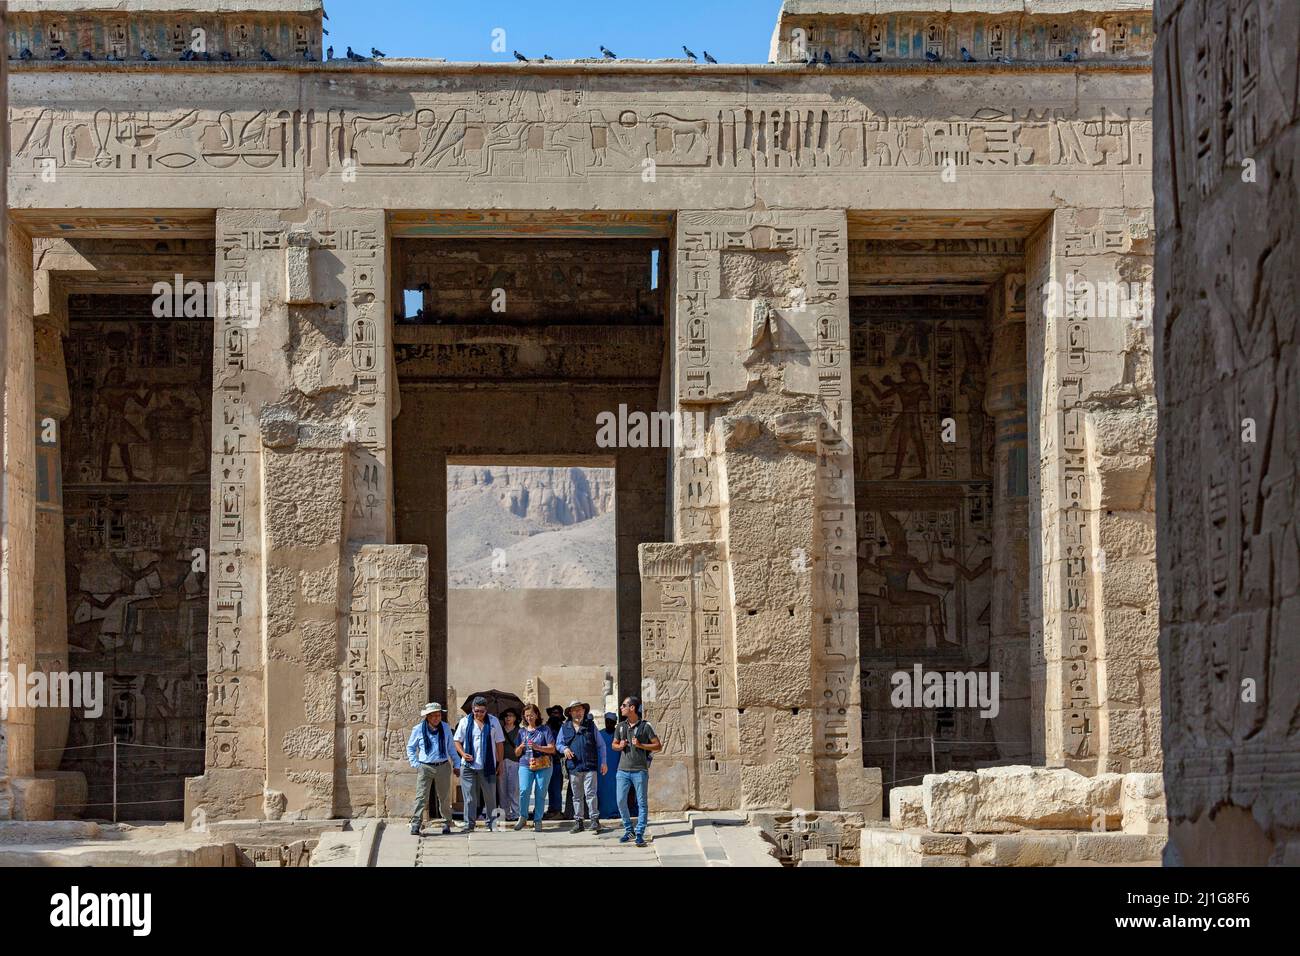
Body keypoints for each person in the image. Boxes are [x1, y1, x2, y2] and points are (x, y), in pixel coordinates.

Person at [611, 695, 660, 847]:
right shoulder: (620, 726)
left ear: (632, 708)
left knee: (642, 802)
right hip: (622, 770)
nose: (621, 708)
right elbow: (614, 745)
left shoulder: (646, 726)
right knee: (620, 800)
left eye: (623, 705)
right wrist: (620, 746)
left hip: (639, 770)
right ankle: (628, 829)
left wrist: (641, 745)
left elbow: (658, 746)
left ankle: (639, 832)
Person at [405, 702, 460, 836]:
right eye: (433, 716)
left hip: (442, 766)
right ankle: (416, 823)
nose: (436, 718)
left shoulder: (446, 728)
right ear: (428, 717)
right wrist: (415, 763)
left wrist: (457, 764)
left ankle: (447, 822)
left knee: (444, 797)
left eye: (438, 715)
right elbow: (411, 747)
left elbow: (451, 748)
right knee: (421, 796)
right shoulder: (418, 729)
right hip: (425, 766)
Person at [453, 696, 505, 832]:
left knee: (490, 796)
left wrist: (500, 762)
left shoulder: (494, 722)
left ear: (486, 710)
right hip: (468, 766)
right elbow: (457, 741)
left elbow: (499, 743)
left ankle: (492, 823)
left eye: (482, 711)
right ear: (472, 710)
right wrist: (463, 754)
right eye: (476, 711)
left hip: (488, 765)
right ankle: (469, 824)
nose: (479, 714)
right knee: (469, 797)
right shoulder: (465, 722)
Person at [555, 700, 607, 833]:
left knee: (590, 794)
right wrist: (564, 749)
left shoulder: (591, 725)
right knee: (577, 796)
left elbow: (601, 745)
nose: (578, 713)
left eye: (580, 710)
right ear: (570, 713)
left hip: (590, 765)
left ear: (584, 711)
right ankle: (579, 822)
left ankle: (594, 821)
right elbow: (558, 744)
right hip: (574, 767)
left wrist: (604, 762)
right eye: (575, 710)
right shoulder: (565, 727)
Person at [513, 703, 556, 832]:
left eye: (531, 715)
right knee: (524, 790)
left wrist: (538, 747)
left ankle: (538, 820)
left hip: (543, 764)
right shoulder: (521, 731)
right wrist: (521, 746)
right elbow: (516, 753)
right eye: (526, 716)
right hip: (525, 764)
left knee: (540, 792)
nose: (529, 718)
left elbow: (552, 748)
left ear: (537, 715)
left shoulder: (545, 730)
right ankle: (523, 816)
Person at [496, 707, 522, 822]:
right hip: (502, 761)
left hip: (515, 761)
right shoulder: (499, 730)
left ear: (515, 718)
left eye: (511, 716)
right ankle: (504, 813)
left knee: (514, 788)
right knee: (502, 788)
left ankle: (516, 813)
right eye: (506, 716)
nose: (508, 718)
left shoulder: (520, 731)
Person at [596, 711, 621, 819]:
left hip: (617, 766)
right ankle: (604, 813)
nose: (609, 724)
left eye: (612, 722)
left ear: (615, 723)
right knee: (603, 791)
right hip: (602, 767)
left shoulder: (619, 735)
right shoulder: (599, 734)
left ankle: (617, 812)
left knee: (617, 790)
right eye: (607, 722)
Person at [544, 704, 567, 818]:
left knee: (557, 786)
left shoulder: (563, 728)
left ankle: (557, 810)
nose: (555, 715)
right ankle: (551, 809)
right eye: (553, 713)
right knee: (549, 786)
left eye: (557, 713)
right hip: (546, 760)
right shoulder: (546, 727)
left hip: (558, 761)